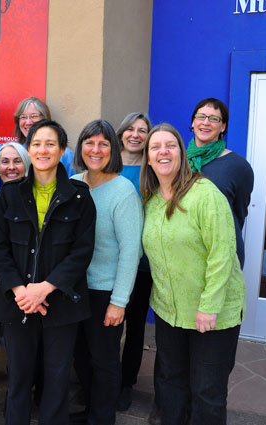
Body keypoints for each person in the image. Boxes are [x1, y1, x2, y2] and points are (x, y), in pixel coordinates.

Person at [0, 120, 96, 425]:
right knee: (19, 379)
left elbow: (82, 251)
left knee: (57, 380)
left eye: (50, 144)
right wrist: (22, 291)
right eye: (36, 144)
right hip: (17, 303)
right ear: (28, 149)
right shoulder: (9, 195)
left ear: (62, 150)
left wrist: (45, 288)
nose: (42, 150)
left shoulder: (79, 196)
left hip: (61, 304)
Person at [140, 123, 246, 425]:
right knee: (171, 383)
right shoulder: (152, 199)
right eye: (155, 147)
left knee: (207, 392)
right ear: (147, 158)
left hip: (211, 314)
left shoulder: (205, 194)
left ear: (182, 153)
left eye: (170, 145)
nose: (163, 151)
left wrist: (208, 307)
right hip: (169, 311)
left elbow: (223, 254)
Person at [70, 120, 143, 425]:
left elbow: (131, 250)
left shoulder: (123, 189)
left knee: (104, 361)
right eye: (89, 142)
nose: (95, 149)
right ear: (81, 147)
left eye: (103, 144)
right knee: (80, 358)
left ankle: (102, 418)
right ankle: (89, 411)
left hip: (105, 290)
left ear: (113, 149)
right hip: (73, 289)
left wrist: (119, 301)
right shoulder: (72, 182)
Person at [113, 112, 154, 412]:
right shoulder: (108, 165)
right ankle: (103, 380)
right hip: (105, 261)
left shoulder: (151, 171)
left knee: (135, 324)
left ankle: (126, 382)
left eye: (142, 130)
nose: (136, 135)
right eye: (130, 129)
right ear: (121, 133)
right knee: (107, 325)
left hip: (141, 263)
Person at [186, 98, 254, 267]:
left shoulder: (238, 166)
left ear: (223, 127)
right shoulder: (177, 159)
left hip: (220, 254)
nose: (206, 122)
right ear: (193, 122)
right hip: (183, 251)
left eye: (214, 118)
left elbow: (238, 215)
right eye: (201, 116)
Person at [12, 96, 75, 175]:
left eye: (34, 116)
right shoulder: (15, 152)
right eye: (23, 117)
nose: (28, 122)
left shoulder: (65, 155)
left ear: (45, 118)